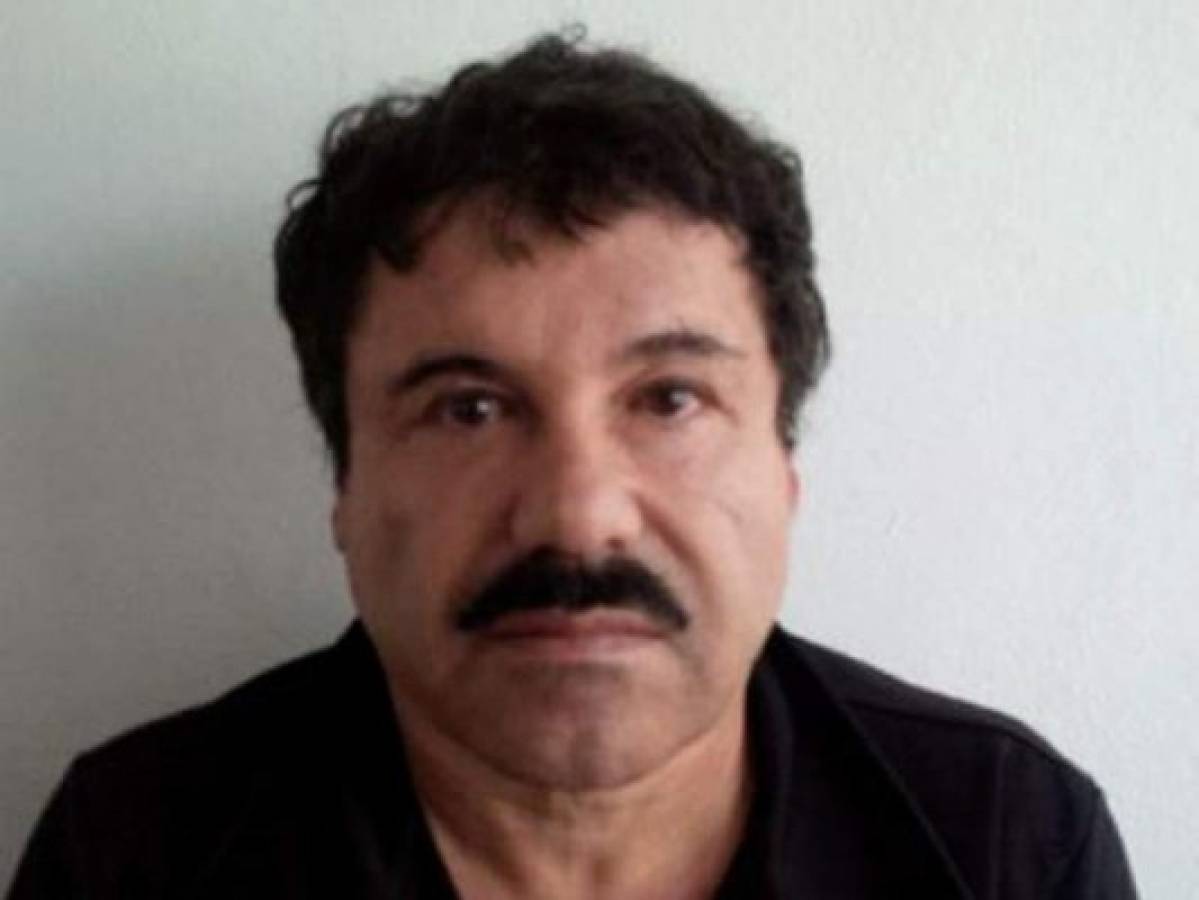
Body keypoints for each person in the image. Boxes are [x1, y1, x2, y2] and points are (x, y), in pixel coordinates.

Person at [7, 32, 1137, 899]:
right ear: (345, 489)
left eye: (669, 399)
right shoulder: (135, 856)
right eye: (468, 409)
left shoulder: (1003, 844)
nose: (578, 517)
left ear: (783, 471)